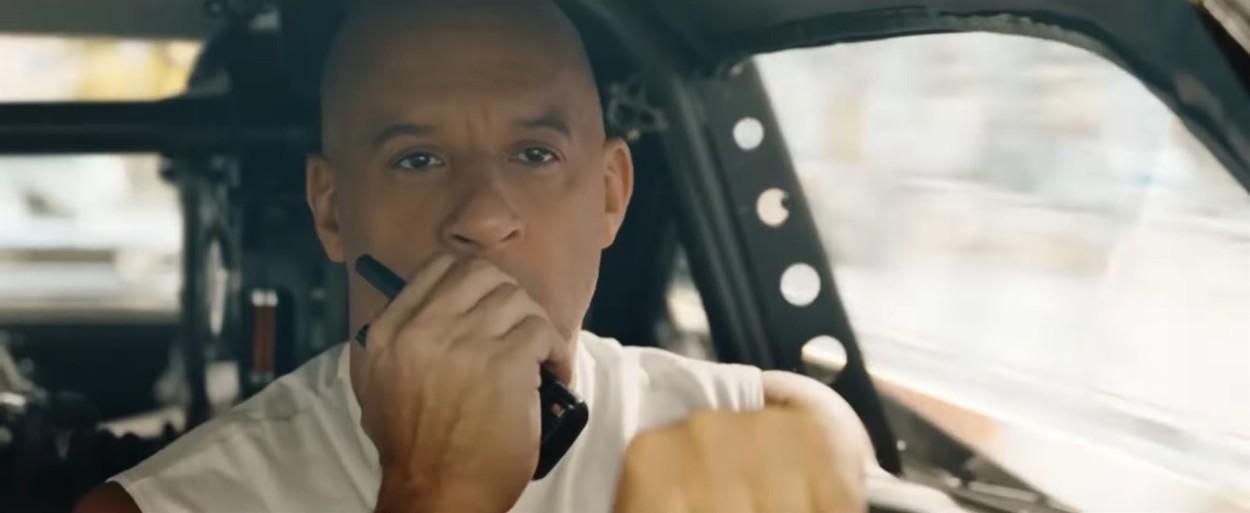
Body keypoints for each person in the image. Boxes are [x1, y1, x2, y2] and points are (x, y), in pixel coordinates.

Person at [74, 1, 875, 511]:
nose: (484, 216)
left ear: (610, 194)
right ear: (331, 209)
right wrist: (432, 492)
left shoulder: (775, 430)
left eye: (534, 154)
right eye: (418, 160)